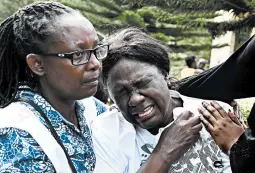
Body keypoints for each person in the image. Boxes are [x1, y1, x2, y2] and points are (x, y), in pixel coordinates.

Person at [0, 2, 202, 173]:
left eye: (95, 49)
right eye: (77, 55)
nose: (95, 63)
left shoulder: (90, 108)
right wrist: (162, 155)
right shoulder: (16, 134)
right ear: (38, 64)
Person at [91, 27, 234, 172]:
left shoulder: (215, 116)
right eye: (121, 92)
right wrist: (164, 151)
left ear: (164, 74)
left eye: (142, 83)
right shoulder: (107, 131)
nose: (135, 99)